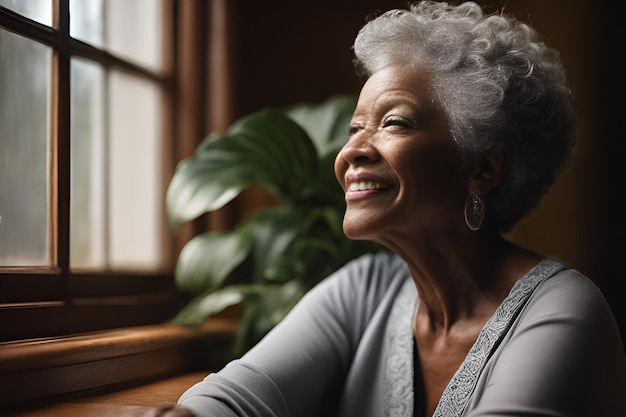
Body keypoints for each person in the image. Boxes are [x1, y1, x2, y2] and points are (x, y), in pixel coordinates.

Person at [150, 1, 626, 416]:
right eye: (354, 129)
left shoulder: (562, 312)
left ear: (482, 166)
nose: (351, 152)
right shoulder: (361, 292)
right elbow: (237, 398)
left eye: (394, 122)